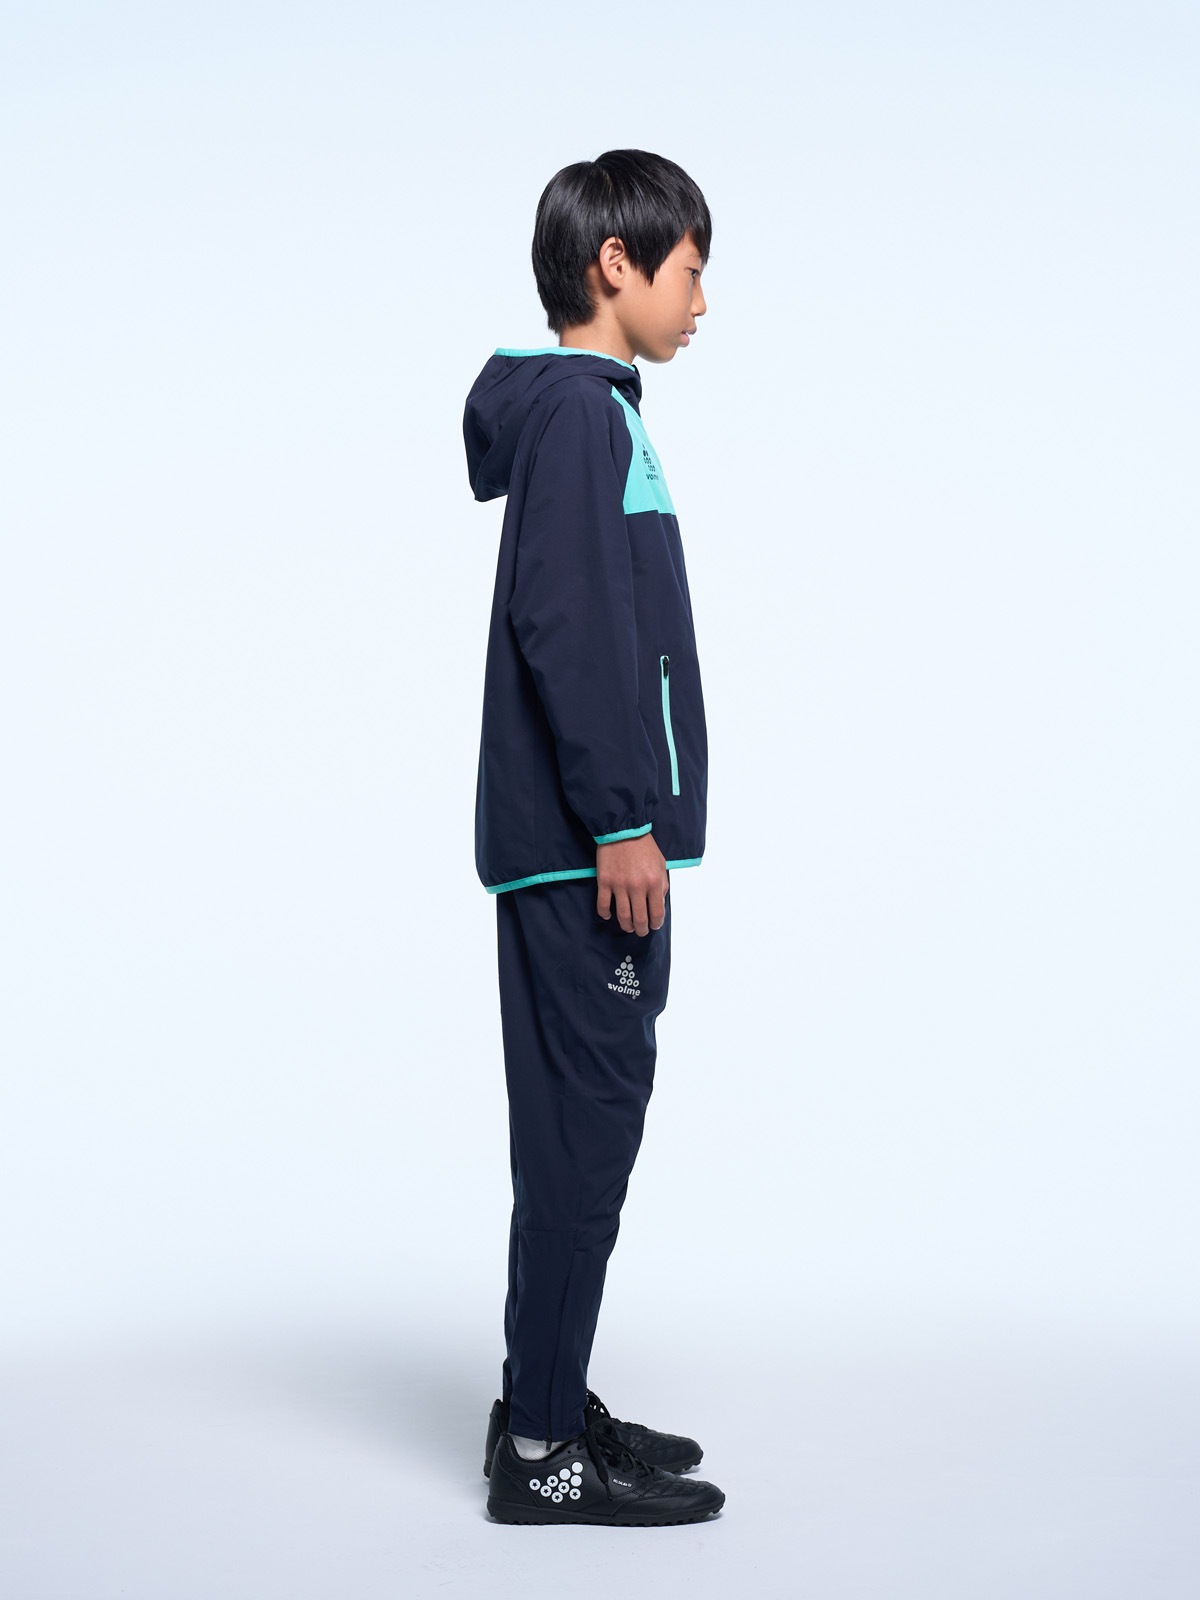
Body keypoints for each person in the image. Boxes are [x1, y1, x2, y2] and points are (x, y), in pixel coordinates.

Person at [461, 149, 723, 1527]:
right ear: (614, 264)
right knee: (585, 1138)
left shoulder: (587, 411)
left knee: (577, 1135)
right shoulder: (578, 414)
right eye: (691, 272)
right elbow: (568, 627)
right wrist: (624, 820)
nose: (702, 303)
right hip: (588, 853)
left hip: (581, 849)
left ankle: (544, 1407)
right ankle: (546, 1453)